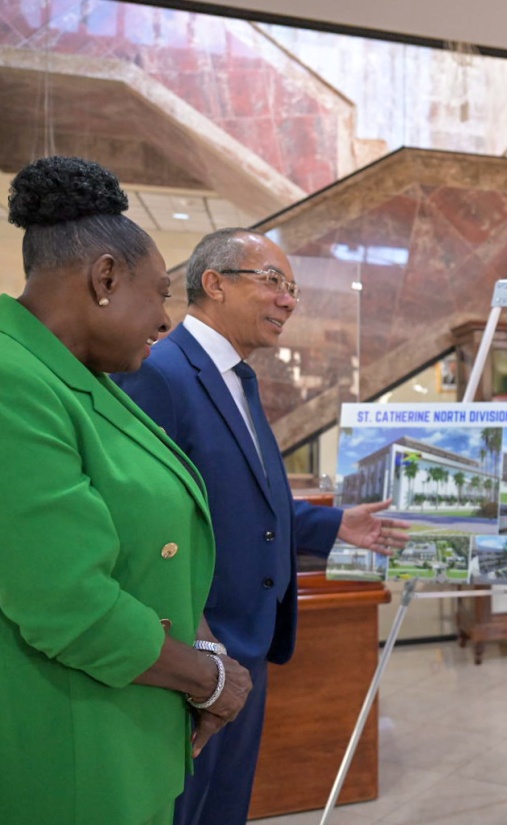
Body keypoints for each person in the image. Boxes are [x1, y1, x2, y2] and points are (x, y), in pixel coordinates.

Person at [113, 227, 409, 825]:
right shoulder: (160, 373)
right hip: (197, 655)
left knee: (225, 806)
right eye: (273, 281)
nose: (288, 300)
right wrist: (195, 652)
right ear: (214, 283)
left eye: (293, 288)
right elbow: (141, 523)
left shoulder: (238, 378)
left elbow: (240, 502)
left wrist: (335, 525)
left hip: (246, 645)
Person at [0, 156, 251, 824]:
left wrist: (206, 647)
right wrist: (211, 679)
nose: (165, 321)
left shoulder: (86, 379)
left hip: (126, 727)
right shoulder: (12, 379)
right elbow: (67, 601)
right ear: (105, 277)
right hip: (66, 749)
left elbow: (157, 539)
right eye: (160, 294)